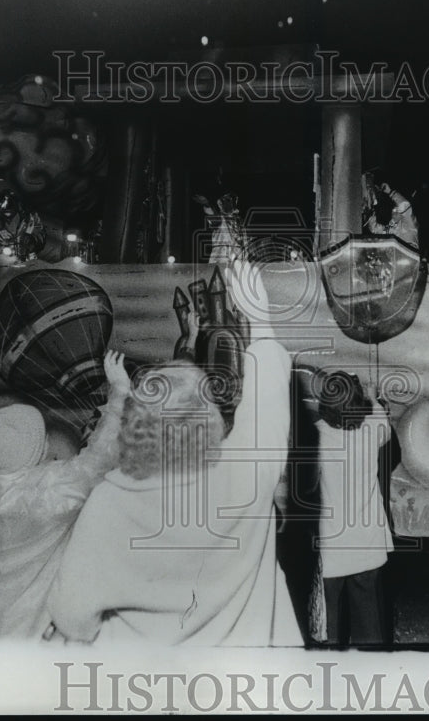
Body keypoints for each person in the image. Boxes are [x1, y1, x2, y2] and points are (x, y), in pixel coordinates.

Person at [47, 259, 302, 647]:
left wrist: (122, 392)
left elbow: (73, 615)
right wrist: (261, 326)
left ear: (138, 424)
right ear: (210, 416)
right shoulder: (245, 476)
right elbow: (267, 407)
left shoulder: (109, 501)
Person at [0, 350, 130, 639]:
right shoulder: (45, 493)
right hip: (28, 636)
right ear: (32, 449)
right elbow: (99, 457)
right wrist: (119, 393)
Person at [315, 371, 394, 646]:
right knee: (369, 621)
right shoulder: (372, 428)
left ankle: (330, 679)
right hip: (367, 541)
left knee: (329, 624)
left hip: (331, 544)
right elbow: (381, 422)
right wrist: (371, 398)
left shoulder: (315, 436)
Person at [364, 182, 419, 249]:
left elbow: (404, 205)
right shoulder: (391, 228)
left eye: (396, 210)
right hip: (394, 256)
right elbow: (375, 229)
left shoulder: (409, 224)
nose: (394, 212)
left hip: (408, 254)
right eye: (393, 211)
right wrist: (370, 210)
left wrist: (390, 192)